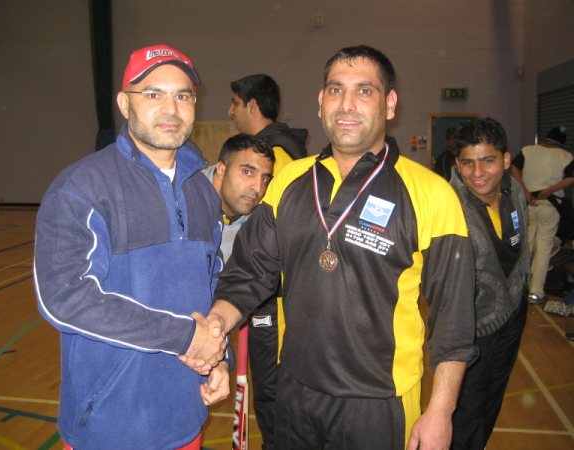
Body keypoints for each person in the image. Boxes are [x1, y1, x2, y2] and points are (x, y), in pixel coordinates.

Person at [194, 45, 478, 449]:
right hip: (295, 392)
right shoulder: (288, 181)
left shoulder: (431, 194)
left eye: (365, 91)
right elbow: (249, 273)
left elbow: (453, 317)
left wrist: (441, 410)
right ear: (320, 101)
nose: (347, 104)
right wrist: (217, 325)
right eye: (335, 90)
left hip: (380, 402)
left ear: (390, 103)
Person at [33, 44, 230, 450]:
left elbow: (210, 280)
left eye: (183, 95)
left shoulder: (202, 190)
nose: (171, 109)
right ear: (125, 103)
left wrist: (216, 357)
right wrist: (183, 336)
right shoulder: (81, 189)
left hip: (184, 414)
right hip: (110, 425)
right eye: (153, 94)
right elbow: (65, 298)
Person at [228, 73, 308, 449]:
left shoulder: (274, 156)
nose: (230, 112)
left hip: (273, 297)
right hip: (272, 294)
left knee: (273, 395)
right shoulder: (283, 149)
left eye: (235, 103)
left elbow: (269, 235)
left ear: (253, 106)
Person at [449, 118, 530, 449]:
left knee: (491, 400)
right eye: (468, 162)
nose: (477, 172)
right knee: (465, 409)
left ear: (506, 161)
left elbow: (521, 250)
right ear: (457, 164)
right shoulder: (449, 207)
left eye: (488, 160)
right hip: (472, 328)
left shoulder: (515, 193)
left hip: (512, 316)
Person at [510, 126, 574, 303]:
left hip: (529, 204)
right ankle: (535, 292)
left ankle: (518, 289)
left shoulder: (528, 150)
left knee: (526, 247)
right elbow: (571, 178)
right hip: (549, 205)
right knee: (544, 250)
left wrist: (524, 191)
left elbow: (514, 168)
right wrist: (550, 189)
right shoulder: (566, 156)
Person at [203, 133, 275, 261]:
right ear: (221, 170)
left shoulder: (261, 221)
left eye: (264, 178)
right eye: (247, 172)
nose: (258, 188)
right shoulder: (183, 201)